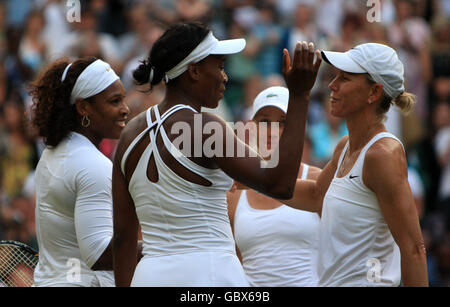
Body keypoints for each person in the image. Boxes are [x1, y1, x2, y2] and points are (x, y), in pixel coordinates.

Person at [112, 23, 322, 287]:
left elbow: (122, 238)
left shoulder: (130, 134)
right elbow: (280, 184)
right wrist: (300, 96)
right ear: (194, 70)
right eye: (220, 67)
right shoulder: (206, 127)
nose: (225, 77)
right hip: (208, 276)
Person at [283, 43, 428, 286]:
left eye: (345, 78)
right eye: (335, 76)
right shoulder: (344, 146)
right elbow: (316, 194)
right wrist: (251, 181)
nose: (332, 85)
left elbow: (413, 249)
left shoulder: (382, 155)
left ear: (374, 92)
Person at [29, 56, 132, 287]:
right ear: (83, 107)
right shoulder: (92, 165)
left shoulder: (52, 154)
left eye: (123, 100)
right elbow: (98, 254)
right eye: (115, 101)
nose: (125, 110)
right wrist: (162, 249)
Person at [227, 86, 322, 286]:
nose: (272, 131)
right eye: (264, 122)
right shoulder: (234, 191)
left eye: (283, 122)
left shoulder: (316, 179)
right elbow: (232, 261)